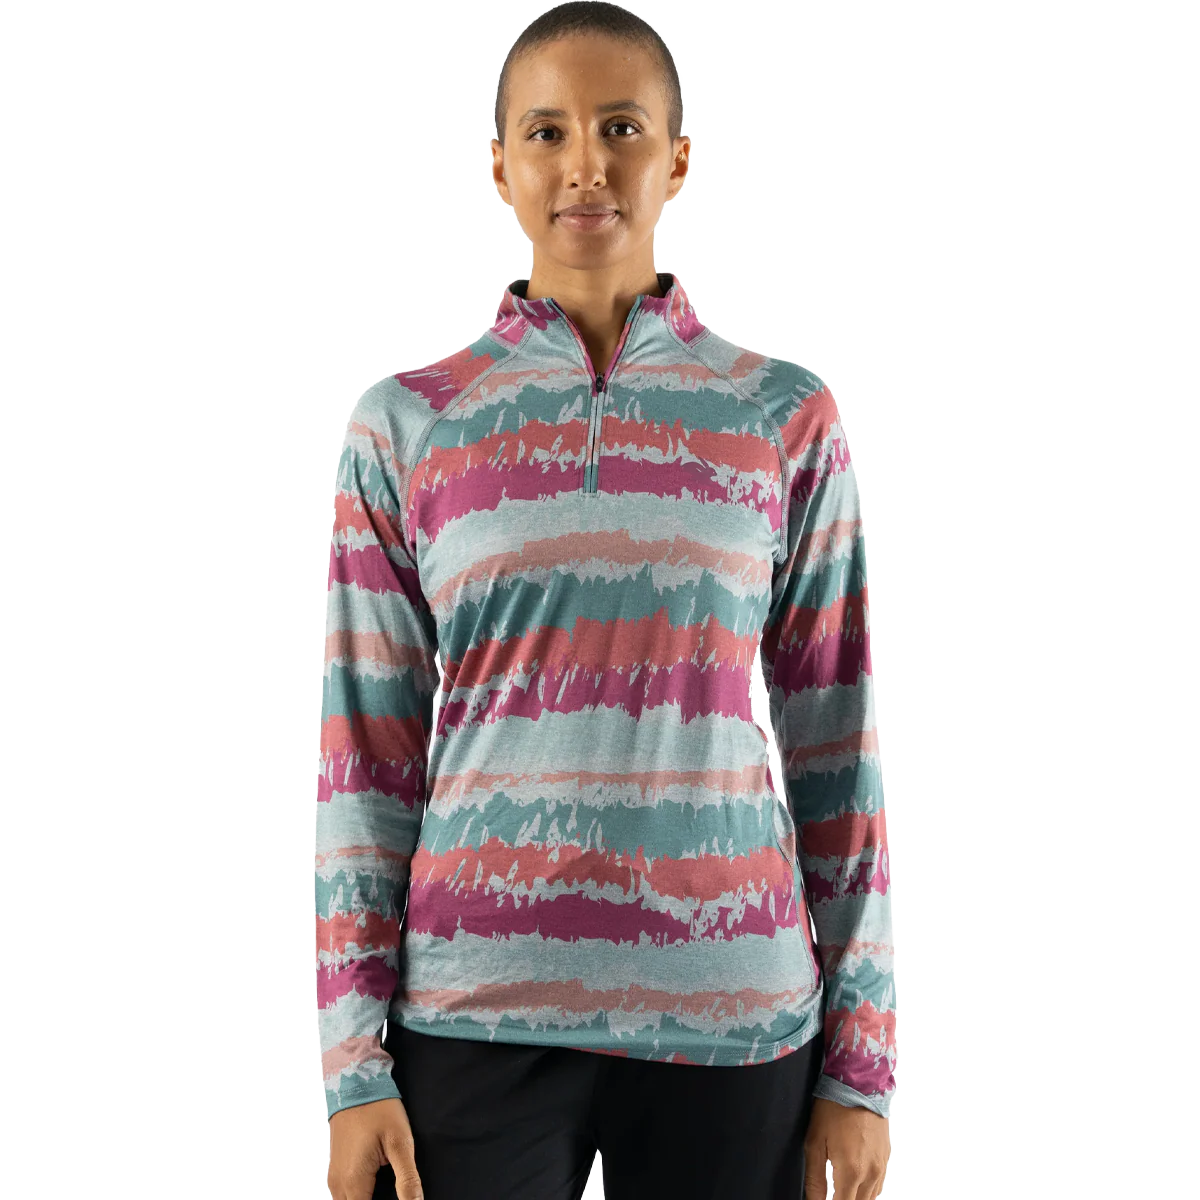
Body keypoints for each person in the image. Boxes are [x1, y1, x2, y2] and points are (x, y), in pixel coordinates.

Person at [315, 3, 896, 1198]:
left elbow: (838, 742)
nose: (586, 162)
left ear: (676, 159)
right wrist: (349, 1065)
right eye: (548, 131)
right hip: (472, 1013)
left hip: (734, 1017)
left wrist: (863, 1069)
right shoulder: (406, 421)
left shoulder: (783, 413)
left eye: (621, 127)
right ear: (501, 166)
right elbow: (363, 758)